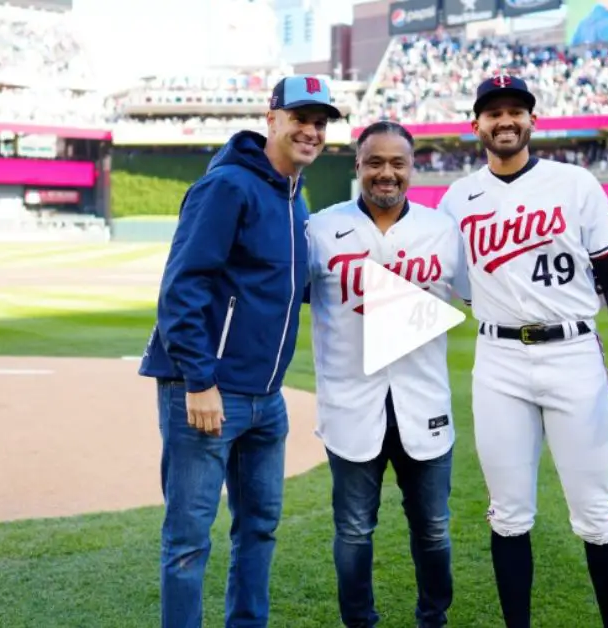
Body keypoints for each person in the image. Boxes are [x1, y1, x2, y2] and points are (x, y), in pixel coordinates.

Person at [438, 75, 608, 627]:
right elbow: (452, 283)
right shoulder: (456, 198)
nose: (505, 120)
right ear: (477, 126)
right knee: (508, 514)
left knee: (593, 515)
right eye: (494, 112)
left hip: (573, 355)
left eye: (516, 110)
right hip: (498, 362)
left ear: (532, 121)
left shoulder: (574, 183)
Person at [137, 75, 342, 628]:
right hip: (207, 392)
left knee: (258, 528)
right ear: (270, 118)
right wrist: (199, 381)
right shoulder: (229, 186)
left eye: (320, 122)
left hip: (266, 400)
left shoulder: (296, 199)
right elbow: (182, 287)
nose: (311, 130)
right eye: (300, 117)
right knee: (188, 539)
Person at [305, 120, 465, 628]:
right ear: (357, 166)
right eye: (375, 162)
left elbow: (484, 296)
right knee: (353, 531)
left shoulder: (442, 230)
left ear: (412, 169)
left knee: (434, 530)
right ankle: (360, 622)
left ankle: (433, 619)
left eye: (398, 163)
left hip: (425, 402)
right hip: (351, 403)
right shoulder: (319, 229)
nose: (386, 173)